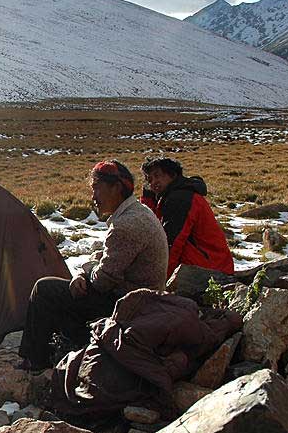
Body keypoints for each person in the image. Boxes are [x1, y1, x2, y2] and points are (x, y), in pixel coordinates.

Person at [19, 160, 168, 370]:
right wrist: (85, 272)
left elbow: (103, 281)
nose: (93, 197)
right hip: (141, 299)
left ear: (116, 188)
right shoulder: (138, 212)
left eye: (97, 188)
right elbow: (107, 256)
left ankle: (34, 361)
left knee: (45, 289)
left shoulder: (126, 225)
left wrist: (85, 274)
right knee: (69, 291)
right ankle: (72, 347)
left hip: (129, 305)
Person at [140, 157, 234, 277]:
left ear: (172, 174)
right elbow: (152, 225)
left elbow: (172, 242)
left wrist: (160, 279)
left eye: (157, 176)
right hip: (215, 264)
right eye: (149, 179)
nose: (153, 182)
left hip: (208, 269)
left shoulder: (181, 198)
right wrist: (148, 198)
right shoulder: (174, 195)